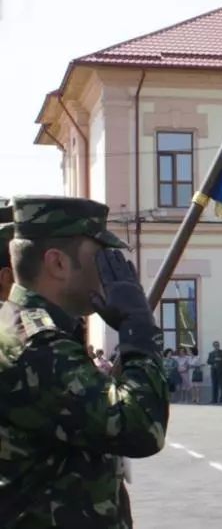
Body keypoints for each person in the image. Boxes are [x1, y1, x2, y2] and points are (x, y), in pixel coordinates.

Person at [0, 195, 169, 526]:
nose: (110, 270)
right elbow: (140, 428)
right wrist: (139, 330)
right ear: (58, 263)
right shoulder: (36, 345)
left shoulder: (28, 328)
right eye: (100, 257)